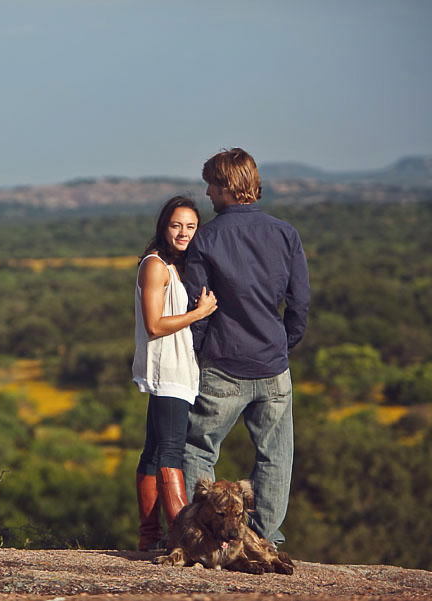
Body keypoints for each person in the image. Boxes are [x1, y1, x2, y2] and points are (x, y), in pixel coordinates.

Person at [182, 148, 310, 548]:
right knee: (275, 456)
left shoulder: (207, 237)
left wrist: (198, 355)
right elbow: (300, 303)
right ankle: (264, 539)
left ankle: (200, 536)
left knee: (197, 449)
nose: (206, 192)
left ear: (227, 186)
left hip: (222, 364)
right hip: (273, 365)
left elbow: (197, 308)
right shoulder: (285, 233)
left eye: (211, 185)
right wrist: (283, 345)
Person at [132, 195, 218, 551]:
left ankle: (150, 538)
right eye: (176, 225)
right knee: (170, 452)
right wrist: (200, 314)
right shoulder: (155, 265)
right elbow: (154, 325)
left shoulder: (175, 265)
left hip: (177, 371)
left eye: (191, 226)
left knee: (154, 453)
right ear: (164, 226)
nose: (184, 232)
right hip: (168, 371)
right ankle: (183, 541)